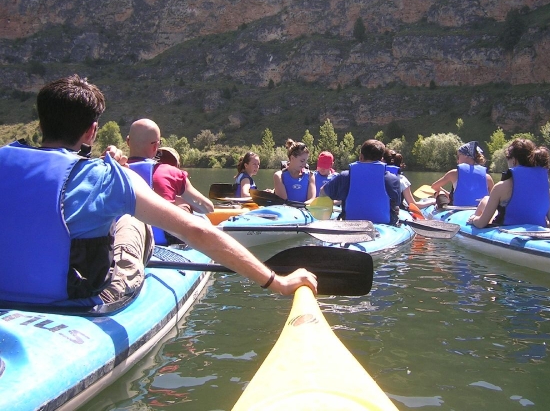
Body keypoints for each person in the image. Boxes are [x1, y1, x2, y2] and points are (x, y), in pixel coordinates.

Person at [0, 75, 317, 308]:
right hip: (75, 296)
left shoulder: (4, 158)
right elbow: (197, 231)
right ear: (91, 131)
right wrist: (278, 281)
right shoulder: (108, 176)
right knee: (131, 219)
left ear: (40, 124)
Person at [127, 119, 215, 215]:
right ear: (155, 146)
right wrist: (178, 201)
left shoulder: (111, 171)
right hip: (161, 228)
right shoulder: (171, 173)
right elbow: (207, 208)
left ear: (128, 141)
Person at [468, 138, 550, 229]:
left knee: (485, 200)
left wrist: (474, 219)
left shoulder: (500, 188)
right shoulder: (547, 191)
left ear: (514, 160)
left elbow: (481, 224)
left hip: (506, 233)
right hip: (536, 233)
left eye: (507, 158)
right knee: (485, 199)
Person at [321, 139, 402, 225]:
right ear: (381, 159)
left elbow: (323, 192)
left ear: (361, 156)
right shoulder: (393, 179)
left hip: (350, 225)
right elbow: (396, 204)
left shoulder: (345, 176)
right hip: (384, 227)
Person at [431, 141, 494, 207]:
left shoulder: (454, 173)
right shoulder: (487, 177)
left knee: (440, 193)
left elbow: (434, 186)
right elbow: (494, 198)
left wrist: (447, 194)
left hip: (457, 210)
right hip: (478, 210)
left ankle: (434, 202)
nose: (457, 160)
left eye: (458, 156)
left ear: (466, 156)